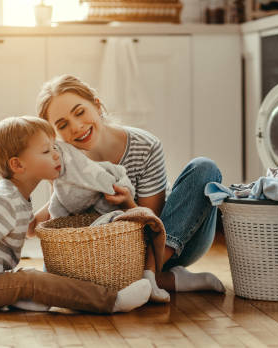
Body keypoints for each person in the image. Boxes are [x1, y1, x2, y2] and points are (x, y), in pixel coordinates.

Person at [0, 116, 151, 320]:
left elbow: (30, 229)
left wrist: (59, 201)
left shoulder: (18, 197)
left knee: (29, 279)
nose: (56, 155)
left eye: (54, 148)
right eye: (46, 151)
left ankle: (21, 298)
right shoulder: (4, 201)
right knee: (30, 279)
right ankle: (112, 301)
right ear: (18, 165)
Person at [37, 75, 226, 294]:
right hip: (102, 258)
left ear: (97, 105)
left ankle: (149, 274)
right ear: (55, 134)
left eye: (80, 112)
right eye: (63, 125)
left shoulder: (145, 146)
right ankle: (162, 281)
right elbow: (65, 220)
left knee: (205, 168)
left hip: (165, 246)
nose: (77, 127)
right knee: (56, 272)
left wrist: (127, 202)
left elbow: (153, 225)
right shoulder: (63, 160)